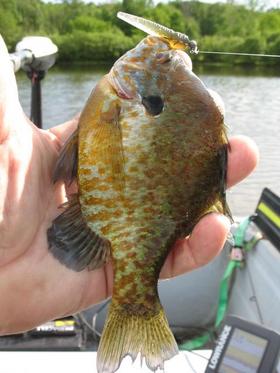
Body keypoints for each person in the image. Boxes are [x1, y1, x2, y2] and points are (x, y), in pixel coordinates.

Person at [0, 35, 258, 336]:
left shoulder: (115, 100)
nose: (157, 53)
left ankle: (137, 312)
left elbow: (76, 147)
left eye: (163, 62)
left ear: (148, 97)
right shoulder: (124, 101)